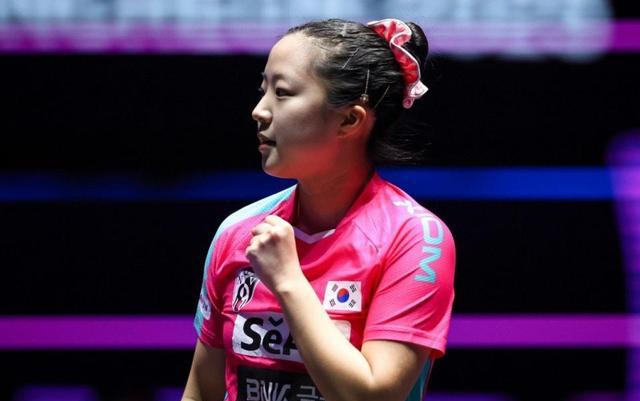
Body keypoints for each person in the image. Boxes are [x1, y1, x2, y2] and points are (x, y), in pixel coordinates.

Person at [182, 18, 456, 401]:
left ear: (349, 119)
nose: (259, 111)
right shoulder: (238, 231)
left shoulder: (415, 238)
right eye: (263, 90)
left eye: (282, 93)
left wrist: (288, 281)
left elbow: (374, 397)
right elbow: (202, 390)